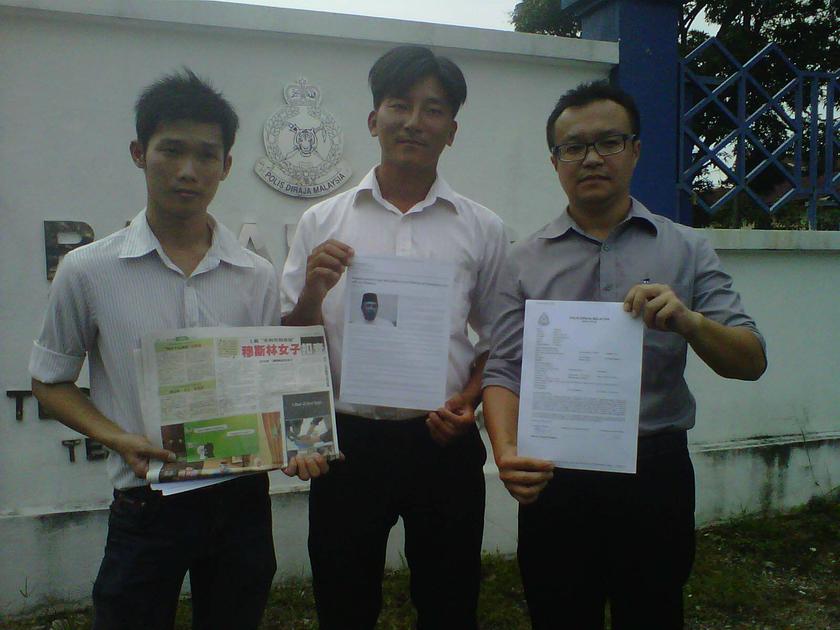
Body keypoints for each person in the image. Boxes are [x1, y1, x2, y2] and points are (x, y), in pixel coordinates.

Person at [482, 81, 767, 630]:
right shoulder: (523, 261)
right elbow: (504, 368)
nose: (591, 158)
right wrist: (507, 450)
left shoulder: (687, 249)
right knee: (559, 614)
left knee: (653, 612)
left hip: (654, 473)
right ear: (555, 162)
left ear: (635, 150)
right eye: (573, 147)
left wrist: (688, 320)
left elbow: (751, 360)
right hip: (556, 475)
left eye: (609, 142)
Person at [29, 69, 288, 630]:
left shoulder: (256, 275)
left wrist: (296, 440)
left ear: (226, 164)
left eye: (206, 155)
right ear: (138, 153)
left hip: (242, 499)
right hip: (146, 504)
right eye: (171, 150)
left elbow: (267, 386)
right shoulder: (88, 270)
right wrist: (116, 437)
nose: (188, 170)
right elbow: (49, 381)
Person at [281, 45, 508, 629]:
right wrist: (313, 290)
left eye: (433, 109)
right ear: (373, 119)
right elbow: (290, 345)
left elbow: (501, 339)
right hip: (348, 445)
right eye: (399, 105)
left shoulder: (482, 228)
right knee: (343, 602)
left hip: (443, 439)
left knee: (450, 601)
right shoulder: (322, 222)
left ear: (451, 131)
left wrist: (469, 402)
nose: (414, 121)